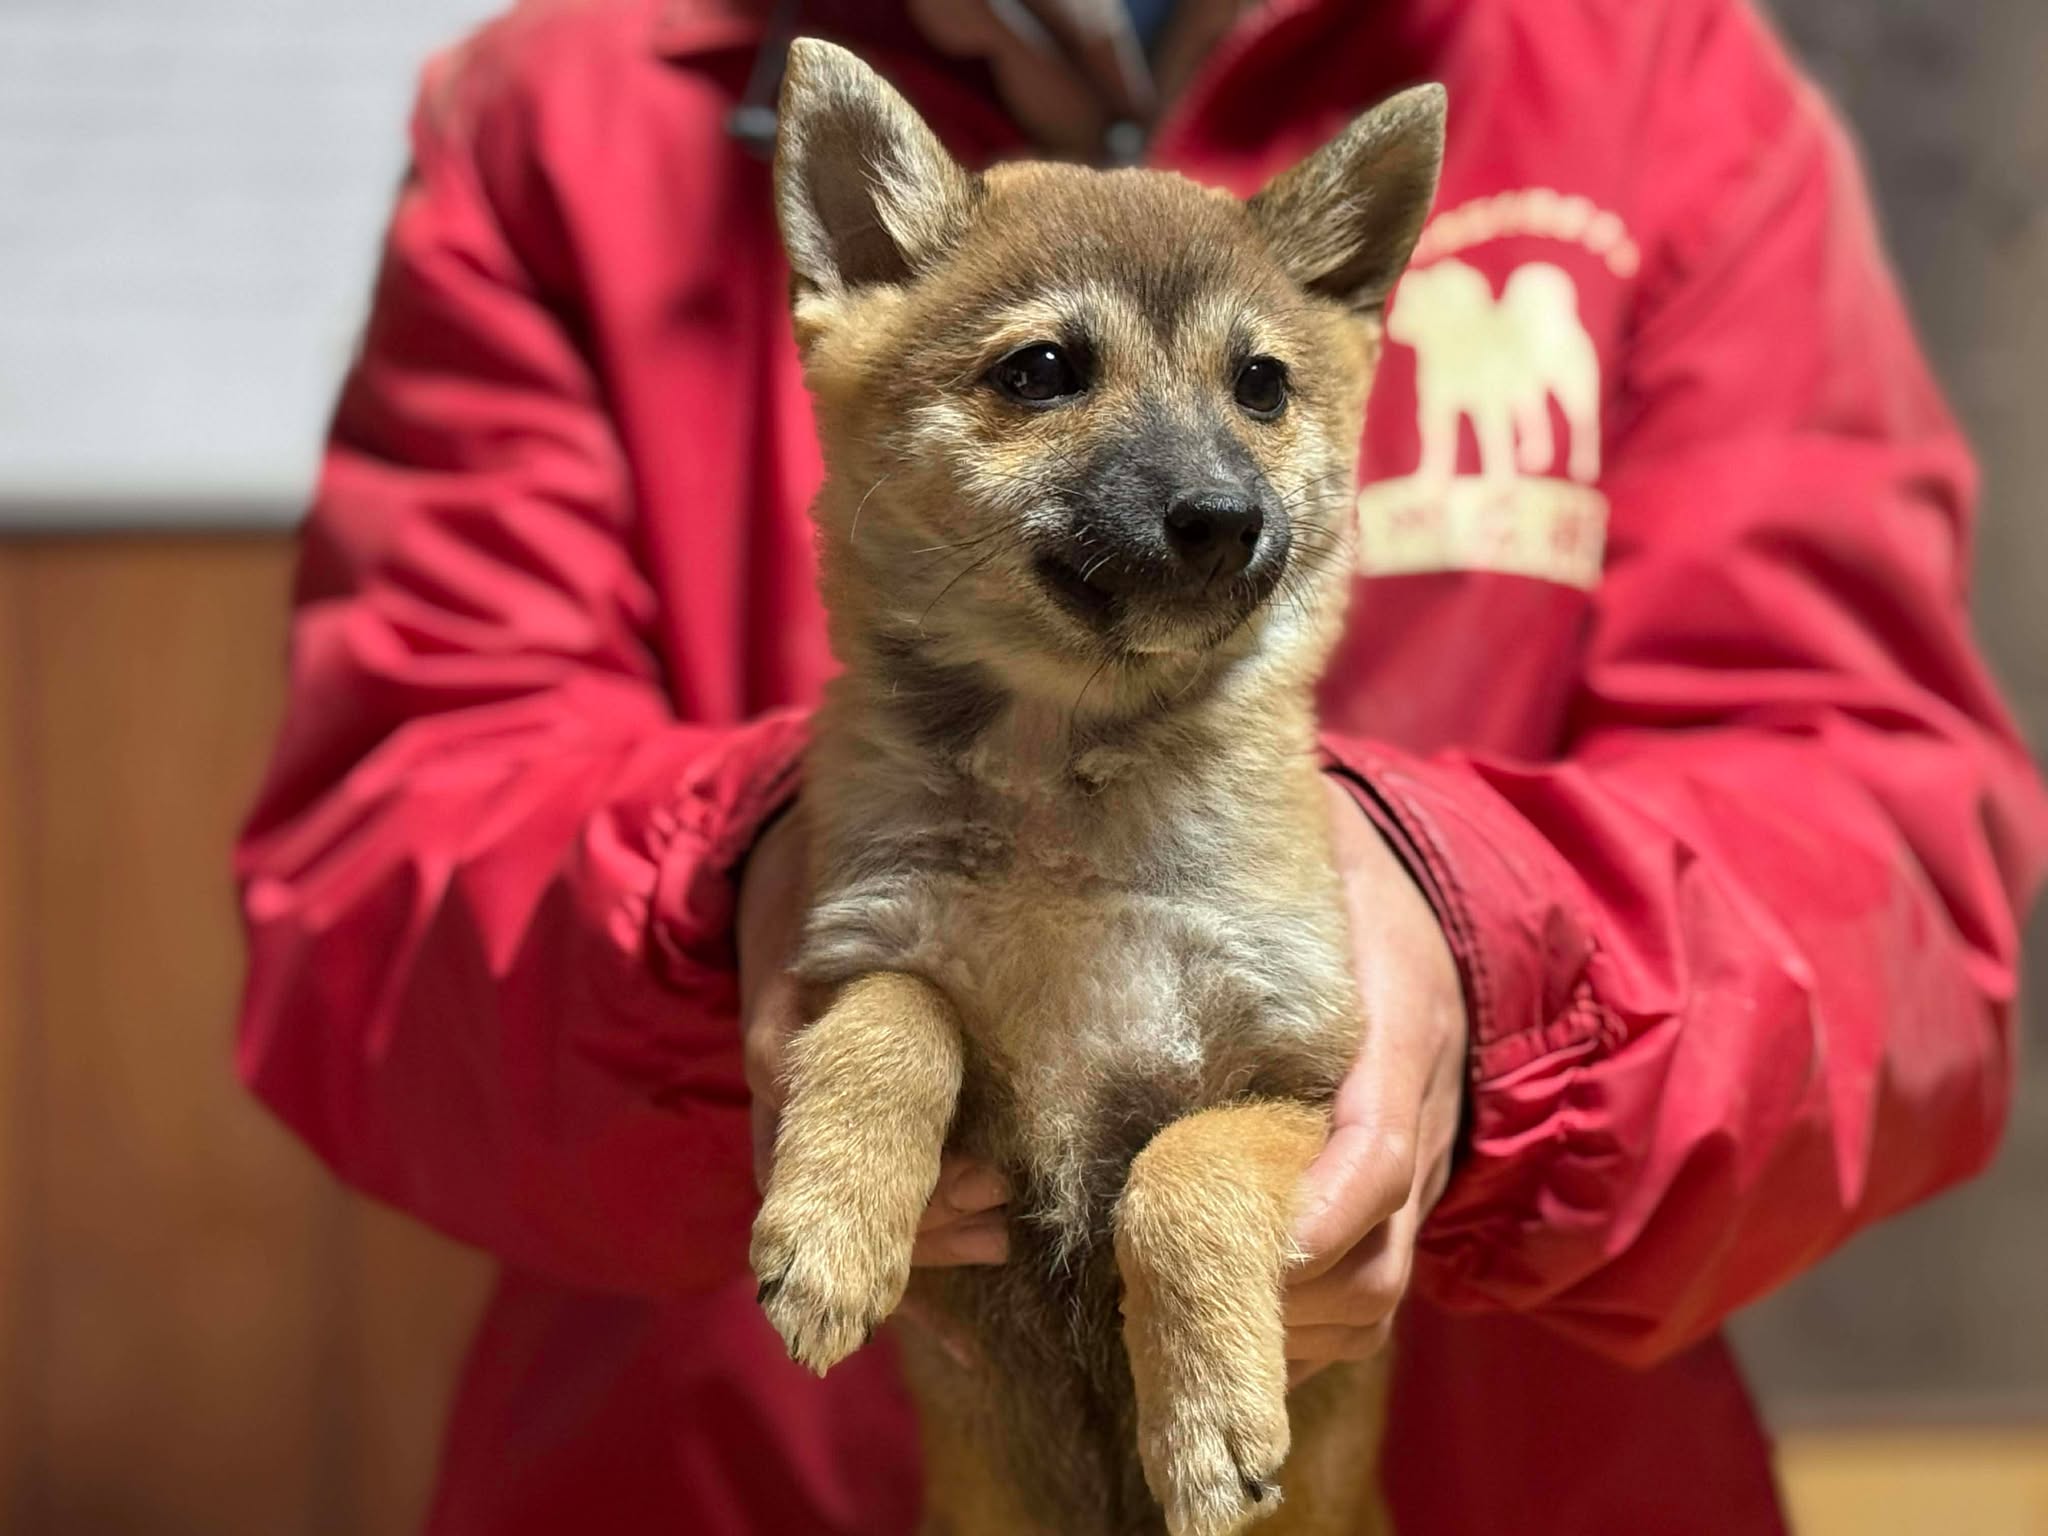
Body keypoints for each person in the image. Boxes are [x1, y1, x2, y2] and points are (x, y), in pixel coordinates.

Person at [232, 1, 2048, 1532]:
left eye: (1257, 395)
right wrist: (751, 921)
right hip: (722, 1485)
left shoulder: (1652, 79)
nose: (1208, 492)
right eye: (1043, 374)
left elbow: (1891, 878)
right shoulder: (571, 114)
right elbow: (366, 898)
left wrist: (1495, 969)